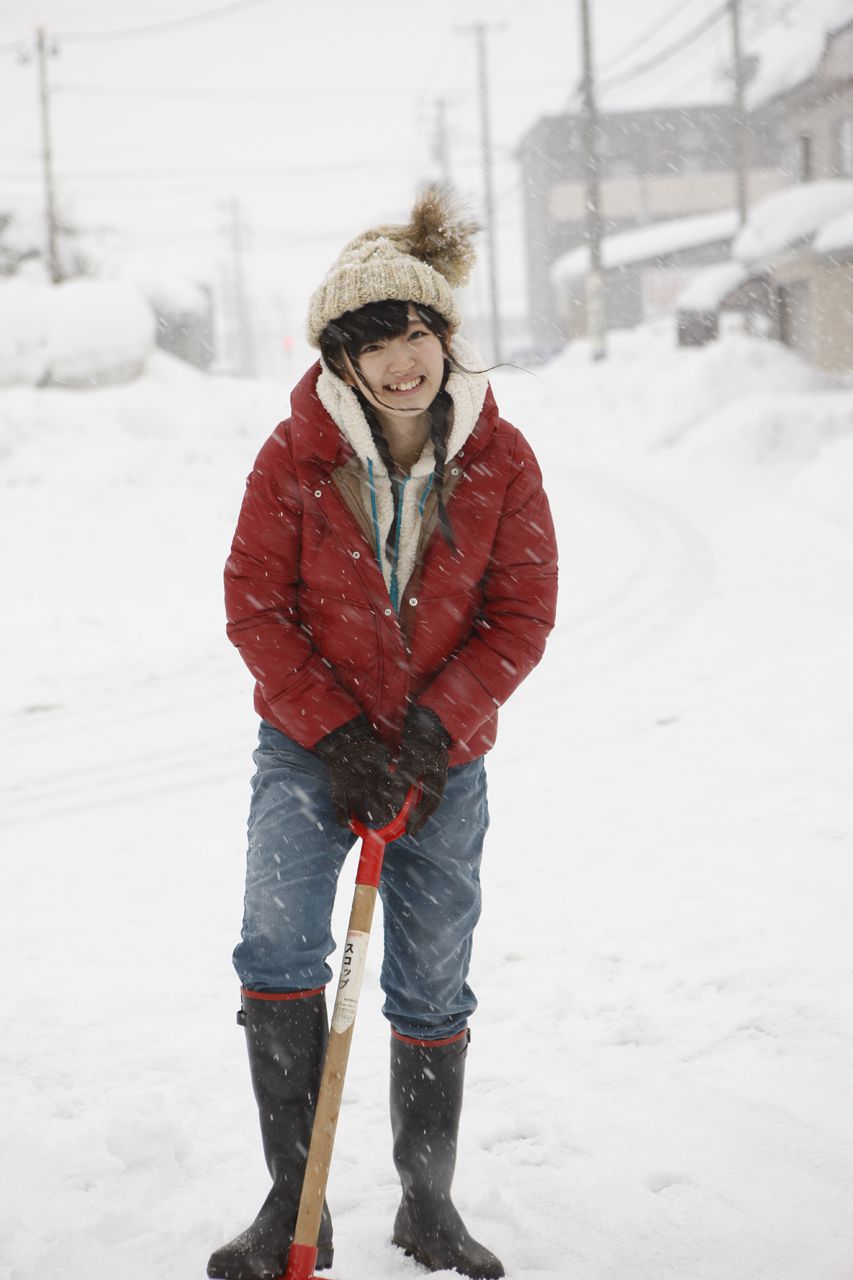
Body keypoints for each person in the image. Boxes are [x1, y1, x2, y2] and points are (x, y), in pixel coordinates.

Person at [208, 186, 558, 1280]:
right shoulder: (293, 457)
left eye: (412, 333)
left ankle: (429, 1202)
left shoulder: (501, 460)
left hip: (444, 759)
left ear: (441, 337)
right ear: (340, 359)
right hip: (308, 749)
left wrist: (434, 732)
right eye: (370, 343)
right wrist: (339, 733)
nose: (398, 360)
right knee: (276, 948)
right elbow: (253, 603)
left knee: (430, 974)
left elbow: (521, 614)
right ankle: (290, 1200)